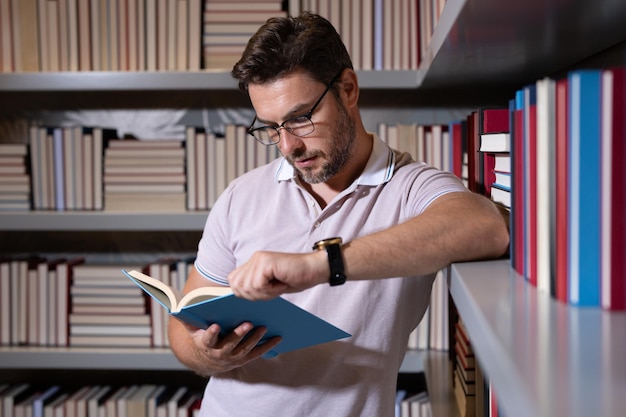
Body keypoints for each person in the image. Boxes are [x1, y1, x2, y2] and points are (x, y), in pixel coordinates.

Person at [168, 12, 509, 417]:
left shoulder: (410, 187)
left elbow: (487, 227)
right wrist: (209, 356)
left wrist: (321, 263)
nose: (288, 145)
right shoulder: (240, 195)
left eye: (300, 118)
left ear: (347, 89)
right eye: (272, 128)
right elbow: (182, 328)